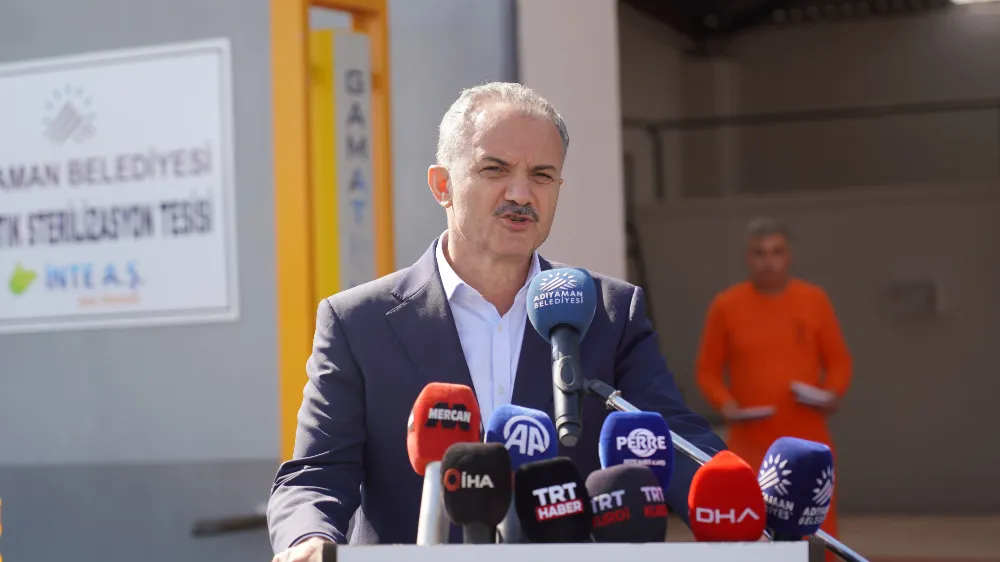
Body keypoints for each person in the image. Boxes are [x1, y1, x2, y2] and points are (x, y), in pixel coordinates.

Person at [267, 82, 726, 560]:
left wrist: (744, 509)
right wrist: (308, 539)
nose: (521, 194)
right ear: (442, 186)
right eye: (495, 169)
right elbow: (316, 474)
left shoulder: (611, 312)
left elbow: (675, 444)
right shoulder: (358, 322)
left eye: (542, 175)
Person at [694, 217, 852, 544]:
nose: (768, 261)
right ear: (748, 258)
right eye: (760, 253)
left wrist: (831, 393)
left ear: (789, 256)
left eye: (776, 252)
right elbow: (707, 370)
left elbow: (839, 361)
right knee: (751, 532)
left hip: (808, 440)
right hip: (750, 443)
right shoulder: (726, 306)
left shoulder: (814, 300)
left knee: (817, 534)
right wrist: (727, 404)